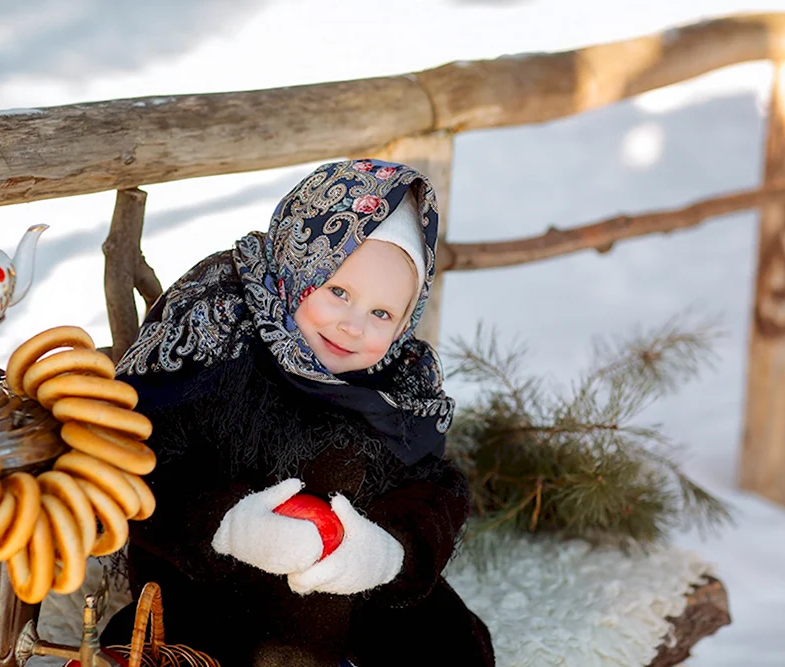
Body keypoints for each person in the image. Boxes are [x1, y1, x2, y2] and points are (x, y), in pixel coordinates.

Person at [100, 159, 495, 666]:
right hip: (222, 592)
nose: (353, 325)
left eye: (381, 314)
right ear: (299, 263)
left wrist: (382, 553)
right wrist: (231, 524)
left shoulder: (401, 384)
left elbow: (433, 494)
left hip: (350, 593)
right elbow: (145, 462)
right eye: (338, 291)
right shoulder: (219, 338)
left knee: (449, 646)